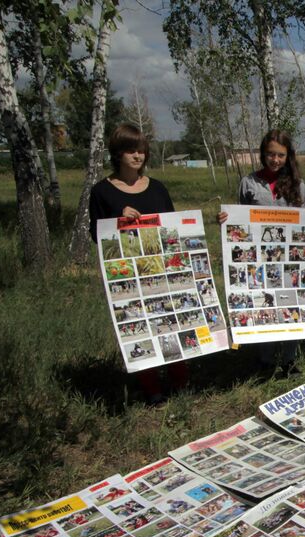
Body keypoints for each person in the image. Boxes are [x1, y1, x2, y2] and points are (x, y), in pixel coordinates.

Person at [89, 123, 186, 403]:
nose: (137, 156)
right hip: (128, 273)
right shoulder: (102, 192)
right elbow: (97, 235)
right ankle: (151, 387)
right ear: (117, 154)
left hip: (163, 269)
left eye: (141, 150)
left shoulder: (157, 188)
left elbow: (173, 227)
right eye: (131, 150)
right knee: (139, 325)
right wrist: (119, 221)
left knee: (170, 321)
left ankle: (180, 381)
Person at [219, 129, 305, 376]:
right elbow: (240, 221)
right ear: (263, 154)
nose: (275, 160)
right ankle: (266, 360)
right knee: (264, 304)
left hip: (291, 259)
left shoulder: (298, 185)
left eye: (280, 155)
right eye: (270, 154)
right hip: (258, 258)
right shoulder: (249, 183)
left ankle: (290, 360)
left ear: (287, 156)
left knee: (292, 305)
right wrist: (227, 221)